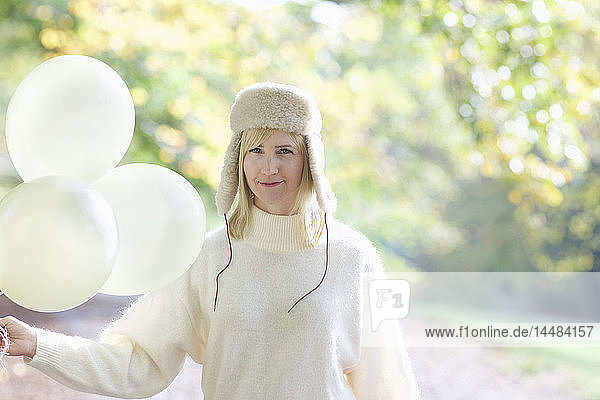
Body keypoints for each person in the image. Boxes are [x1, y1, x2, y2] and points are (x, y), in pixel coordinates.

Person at [1, 82, 419, 399]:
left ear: (309, 159)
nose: (268, 167)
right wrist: (39, 344)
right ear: (237, 159)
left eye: (284, 151)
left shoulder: (353, 257)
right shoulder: (209, 255)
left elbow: (388, 384)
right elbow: (137, 361)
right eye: (254, 150)